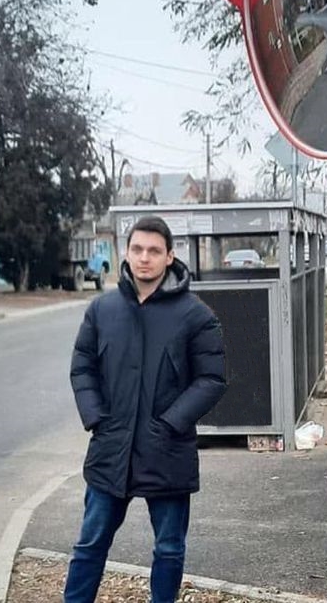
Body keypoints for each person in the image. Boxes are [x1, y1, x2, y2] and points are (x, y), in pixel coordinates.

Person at [64, 215, 228, 603]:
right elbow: (82, 366)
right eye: (137, 249)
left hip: (167, 451)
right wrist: (97, 419)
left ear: (169, 256)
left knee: (169, 548)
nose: (144, 258)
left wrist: (170, 424)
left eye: (154, 251)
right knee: (90, 543)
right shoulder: (102, 310)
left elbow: (211, 379)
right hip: (111, 449)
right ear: (126, 252)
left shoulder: (196, 315)